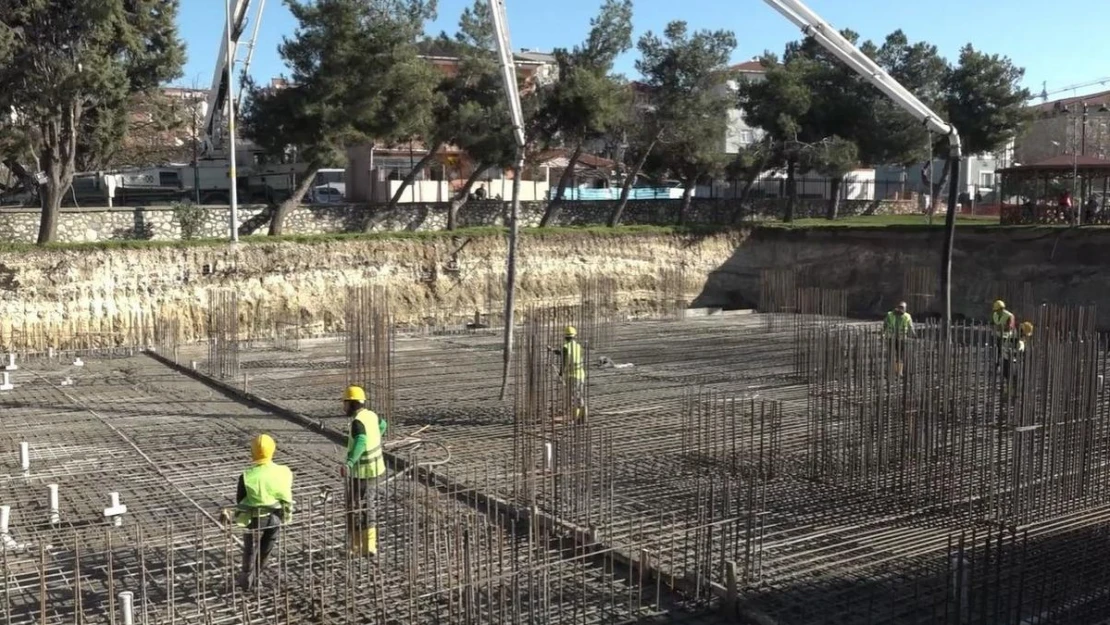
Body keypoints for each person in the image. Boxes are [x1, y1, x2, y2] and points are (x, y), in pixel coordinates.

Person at [232, 434, 293, 591]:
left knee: (250, 548)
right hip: (276, 517)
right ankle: (257, 577)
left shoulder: (247, 476)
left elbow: (240, 500)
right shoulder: (284, 471)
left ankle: (246, 577)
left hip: (255, 519)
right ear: (273, 451)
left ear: (252, 452)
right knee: (266, 547)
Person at [340, 385, 387, 557]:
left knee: (354, 508)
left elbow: (360, 440)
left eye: (345, 403)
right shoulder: (371, 415)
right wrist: (376, 437)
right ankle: (370, 546)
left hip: (362, 472)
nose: (343, 406)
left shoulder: (358, 421)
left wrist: (350, 462)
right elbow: (383, 425)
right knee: (369, 506)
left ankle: (355, 547)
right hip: (376, 468)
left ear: (352, 403)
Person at [559, 326, 587, 422]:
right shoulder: (578, 346)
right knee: (579, 395)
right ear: (574, 336)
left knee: (573, 396)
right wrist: (554, 351)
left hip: (572, 376)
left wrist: (560, 374)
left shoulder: (566, 347)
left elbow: (563, 361)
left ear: (565, 337)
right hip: (581, 375)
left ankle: (576, 418)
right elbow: (565, 353)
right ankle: (583, 415)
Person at [882, 301, 914, 378]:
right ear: (897, 307)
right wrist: (883, 333)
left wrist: (914, 334)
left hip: (901, 338)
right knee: (891, 355)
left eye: (903, 308)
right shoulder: (890, 314)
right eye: (900, 307)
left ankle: (899, 372)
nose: (901, 309)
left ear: (905, 309)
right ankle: (890, 372)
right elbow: (885, 324)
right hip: (891, 338)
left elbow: (910, 326)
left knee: (900, 356)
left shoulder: (907, 316)